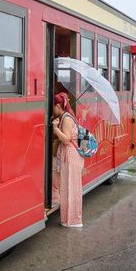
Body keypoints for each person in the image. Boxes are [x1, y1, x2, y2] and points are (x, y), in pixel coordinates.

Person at [52, 92, 84, 228]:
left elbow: (66, 139)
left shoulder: (66, 119)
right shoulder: (66, 116)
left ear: (58, 105)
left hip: (70, 156)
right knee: (68, 188)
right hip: (70, 156)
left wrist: (55, 128)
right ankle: (68, 219)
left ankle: (72, 221)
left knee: (70, 188)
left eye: (53, 106)